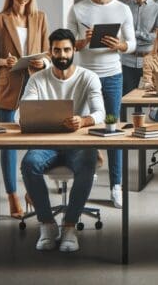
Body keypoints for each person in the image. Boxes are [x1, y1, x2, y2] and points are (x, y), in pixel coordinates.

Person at [20, 29, 104, 253]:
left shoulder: (88, 77)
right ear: (50, 52)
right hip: (47, 143)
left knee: (87, 164)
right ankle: (47, 224)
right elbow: (24, 112)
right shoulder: (37, 79)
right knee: (29, 164)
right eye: (57, 50)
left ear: (74, 49)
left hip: (77, 143)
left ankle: (69, 227)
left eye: (67, 49)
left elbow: (100, 113)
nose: (62, 54)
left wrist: (84, 120)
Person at [67, 0, 136, 209]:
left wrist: (120, 46)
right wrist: (81, 42)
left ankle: (116, 186)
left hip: (112, 75)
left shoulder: (122, 10)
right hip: (84, 76)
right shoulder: (77, 9)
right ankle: (83, 178)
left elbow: (133, 43)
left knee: (112, 130)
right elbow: (69, 45)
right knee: (83, 130)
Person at [0, 0, 50, 218]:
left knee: (36, 141)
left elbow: (49, 53)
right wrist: (3, 61)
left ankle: (33, 189)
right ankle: (12, 195)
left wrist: (43, 62)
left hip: (36, 85)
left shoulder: (40, 17)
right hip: (9, 85)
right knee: (8, 143)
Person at [121, 0, 158, 97]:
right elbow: (123, 34)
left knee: (145, 98)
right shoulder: (125, 8)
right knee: (125, 99)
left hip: (148, 62)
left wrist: (135, 34)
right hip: (127, 61)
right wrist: (147, 37)